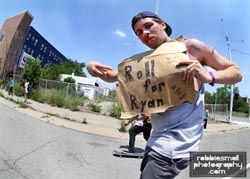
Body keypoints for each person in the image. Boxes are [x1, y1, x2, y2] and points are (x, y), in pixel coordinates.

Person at [86, 11, 242, 179]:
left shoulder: (190, 48)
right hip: (155, 140)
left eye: (148, 26)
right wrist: (91, 66)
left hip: (175, 146)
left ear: (163, 25)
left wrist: (209, 76)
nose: (144, 33)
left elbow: (236, 72)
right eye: (139, 32)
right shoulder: (145, 62)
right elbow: (111, 76)